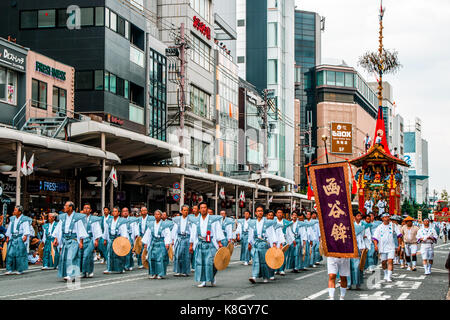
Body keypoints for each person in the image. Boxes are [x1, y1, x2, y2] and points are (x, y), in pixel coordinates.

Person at [189, 202, 225, 287]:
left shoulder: (213, 220)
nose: (203, 209)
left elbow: (218, 230)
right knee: (201, 262)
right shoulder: (196, 221)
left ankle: (212, 277)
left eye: (205, 207)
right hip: (201, 243)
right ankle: (204, 281)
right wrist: (191, 245)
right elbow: (193, 233)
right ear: (199, 209)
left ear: (207, 209)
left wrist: (219, 243)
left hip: (211, 243)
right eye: (201, 208)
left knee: (211, 262)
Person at [52, 201, 88, 281]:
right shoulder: (62, 217)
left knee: (71, 257)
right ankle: (69, 274)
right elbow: (58, 229)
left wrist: (81, 242)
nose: (64, 207)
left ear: (71, 207)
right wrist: (56, 239)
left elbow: (80, 230)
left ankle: (71, 274)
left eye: (66, 206)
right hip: (65, 239)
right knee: (64, 258)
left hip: (73, 240)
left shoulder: (77, 218)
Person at [248, 205, 278, 284]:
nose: (260, 212)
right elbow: (250, 234)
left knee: (264, 262)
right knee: (256, 260)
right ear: (255, 213)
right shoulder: (252, 223)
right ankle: (254, 276)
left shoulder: (268, 223)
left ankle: (265, 276)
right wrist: (249, 243)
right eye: (258, 211)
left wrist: (274, 244)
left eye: (261, 211)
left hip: (264, 244)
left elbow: (271, 234)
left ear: (263, 212)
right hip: (256, 244)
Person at [142, 210, 172, 279]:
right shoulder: (151, 224)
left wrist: (167, 243)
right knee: (152, 258)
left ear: (161, 216)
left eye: (158, 214)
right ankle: (153, 273)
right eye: (155, 214)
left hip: (161, 242)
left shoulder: (164, 225)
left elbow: (167, 235)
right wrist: (146, 243)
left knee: (160, 259)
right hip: (153, 242)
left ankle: (160, 274)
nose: (157, 216)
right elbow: (148, 234)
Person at [372, 213, 402, 282]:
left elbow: (399, 235)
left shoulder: (393, 225)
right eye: (385, 217)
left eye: (388, 217)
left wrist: (399, 245)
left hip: (391, 247)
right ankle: (385, 274)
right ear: (382, 218)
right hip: (382, 247)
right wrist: (376, 246)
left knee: (390, 261)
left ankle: (389, 276)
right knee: (383, 262)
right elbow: (375, 238)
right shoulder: (379, 227)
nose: (387, 218)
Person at [4, 205, 32, 275]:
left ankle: (20, 269)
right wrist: (8, 237)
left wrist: (25, 236)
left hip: (20, 237)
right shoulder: (12, 219)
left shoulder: (24, 219)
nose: (14, 212)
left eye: (15, 210)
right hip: (13, 237)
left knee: (19, 254)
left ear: (20, 212)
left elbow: (26, 229)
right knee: (10, 253)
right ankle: (9, 269)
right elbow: (10, 228)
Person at [103, 207, 128, 274]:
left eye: (116, 211)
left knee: (119, 254)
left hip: (118, 239)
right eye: (113, 211)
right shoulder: (109, 221)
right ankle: (109, 268)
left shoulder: (122, 221)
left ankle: (120, 268)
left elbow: (124, 231)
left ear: (119, 213)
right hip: (111, 239)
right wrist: (105, 239)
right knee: (109, 254)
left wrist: (123, 239)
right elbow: (106, 230)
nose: (114, 213)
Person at [80, 203, 103, 278]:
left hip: (90, 239)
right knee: (81, 255)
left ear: (90, 210)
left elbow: (96, 230)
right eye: (85, 208)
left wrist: (96, 240)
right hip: (82, 240)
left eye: (88, 208)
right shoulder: (80, 219)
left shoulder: (93, 219)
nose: (86, 209)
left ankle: (89, 271)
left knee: (87, 255)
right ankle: (83, 272)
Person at [348, 211, 368, 290]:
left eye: (360, 216)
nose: (359, 217)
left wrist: (363, 247)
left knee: (357, 266)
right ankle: (349, 284)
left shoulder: (363, 225)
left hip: (359, 247)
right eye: (358, 216)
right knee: (349, 266)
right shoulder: (350, 225)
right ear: (354, 217)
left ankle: (357, 283)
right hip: (350, 247)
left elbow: (363, 237)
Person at [172, 205, 193, 276]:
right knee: (178, 255)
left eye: (187, 210)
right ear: (181, 211)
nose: (185, 212)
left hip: (187, 238)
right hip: (179, 238)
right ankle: (178, 270)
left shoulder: (190, 220)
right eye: (184, 210)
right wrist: (172, 240)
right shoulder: (177, 219)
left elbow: (192, 231)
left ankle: (185, 271)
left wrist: (192, 241)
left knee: (186, 256)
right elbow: (174, 230)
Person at [274, 209, 290, 275]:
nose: (280, 214)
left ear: (282, 214)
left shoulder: (286, 222)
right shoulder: (273, 222)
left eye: (281, 212)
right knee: (275, 256)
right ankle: (276, 269)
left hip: (283, 240)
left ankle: (282, 269)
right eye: (278, 212)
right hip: (275, 241)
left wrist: (290, 241)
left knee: (282, 256)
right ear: (276, 214)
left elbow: (289, 232)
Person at [121, 207, 138, 271]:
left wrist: (136, 239)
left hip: (130, 238)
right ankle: (125, 264)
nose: (125, 212)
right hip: (122, 238)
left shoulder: (132, 220)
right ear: (122, 213)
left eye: (126, 211)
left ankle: (128, 265)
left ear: (128, 212)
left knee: (129, 252)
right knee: (123, 253)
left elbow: (135, 230)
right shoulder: (120, 221)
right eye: (123, 211)